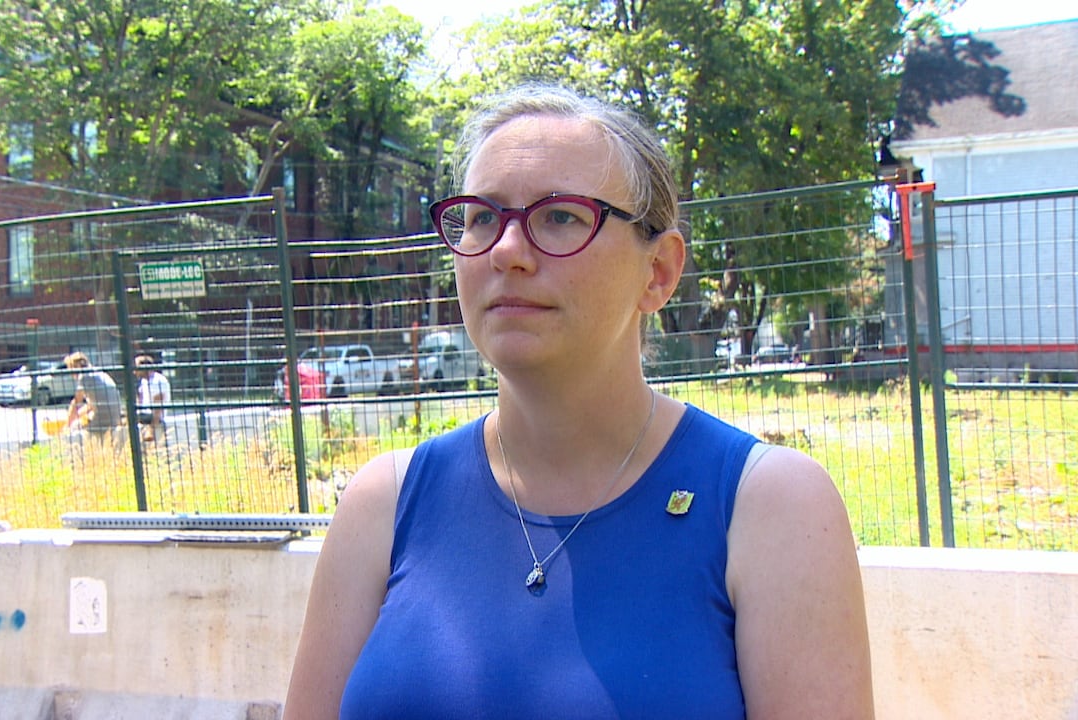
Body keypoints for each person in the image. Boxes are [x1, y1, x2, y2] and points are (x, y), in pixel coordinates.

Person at [284, 84, 874, 719]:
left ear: (659, 271)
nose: (507, 251)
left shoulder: (772, 508)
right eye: (482, 218)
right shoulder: (385, 503)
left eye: (560, 216)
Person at [63, 351, 122, 437]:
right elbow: (91, 405)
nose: (71, 374)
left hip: (103, 421)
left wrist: (67, 425)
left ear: (76, 366)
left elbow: (75, 403)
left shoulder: (84, 377)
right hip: (115, 419)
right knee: (84, 419)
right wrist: (77, 415)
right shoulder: (100, 373)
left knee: (75, 427)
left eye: (70, 369)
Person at [134, 354, 171, 443]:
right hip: (145, 414)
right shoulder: (144, 381)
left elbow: (158, 409)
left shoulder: (157, 381)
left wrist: (151, 430)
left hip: (154, 417)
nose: (134, 371)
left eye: (136, 367)